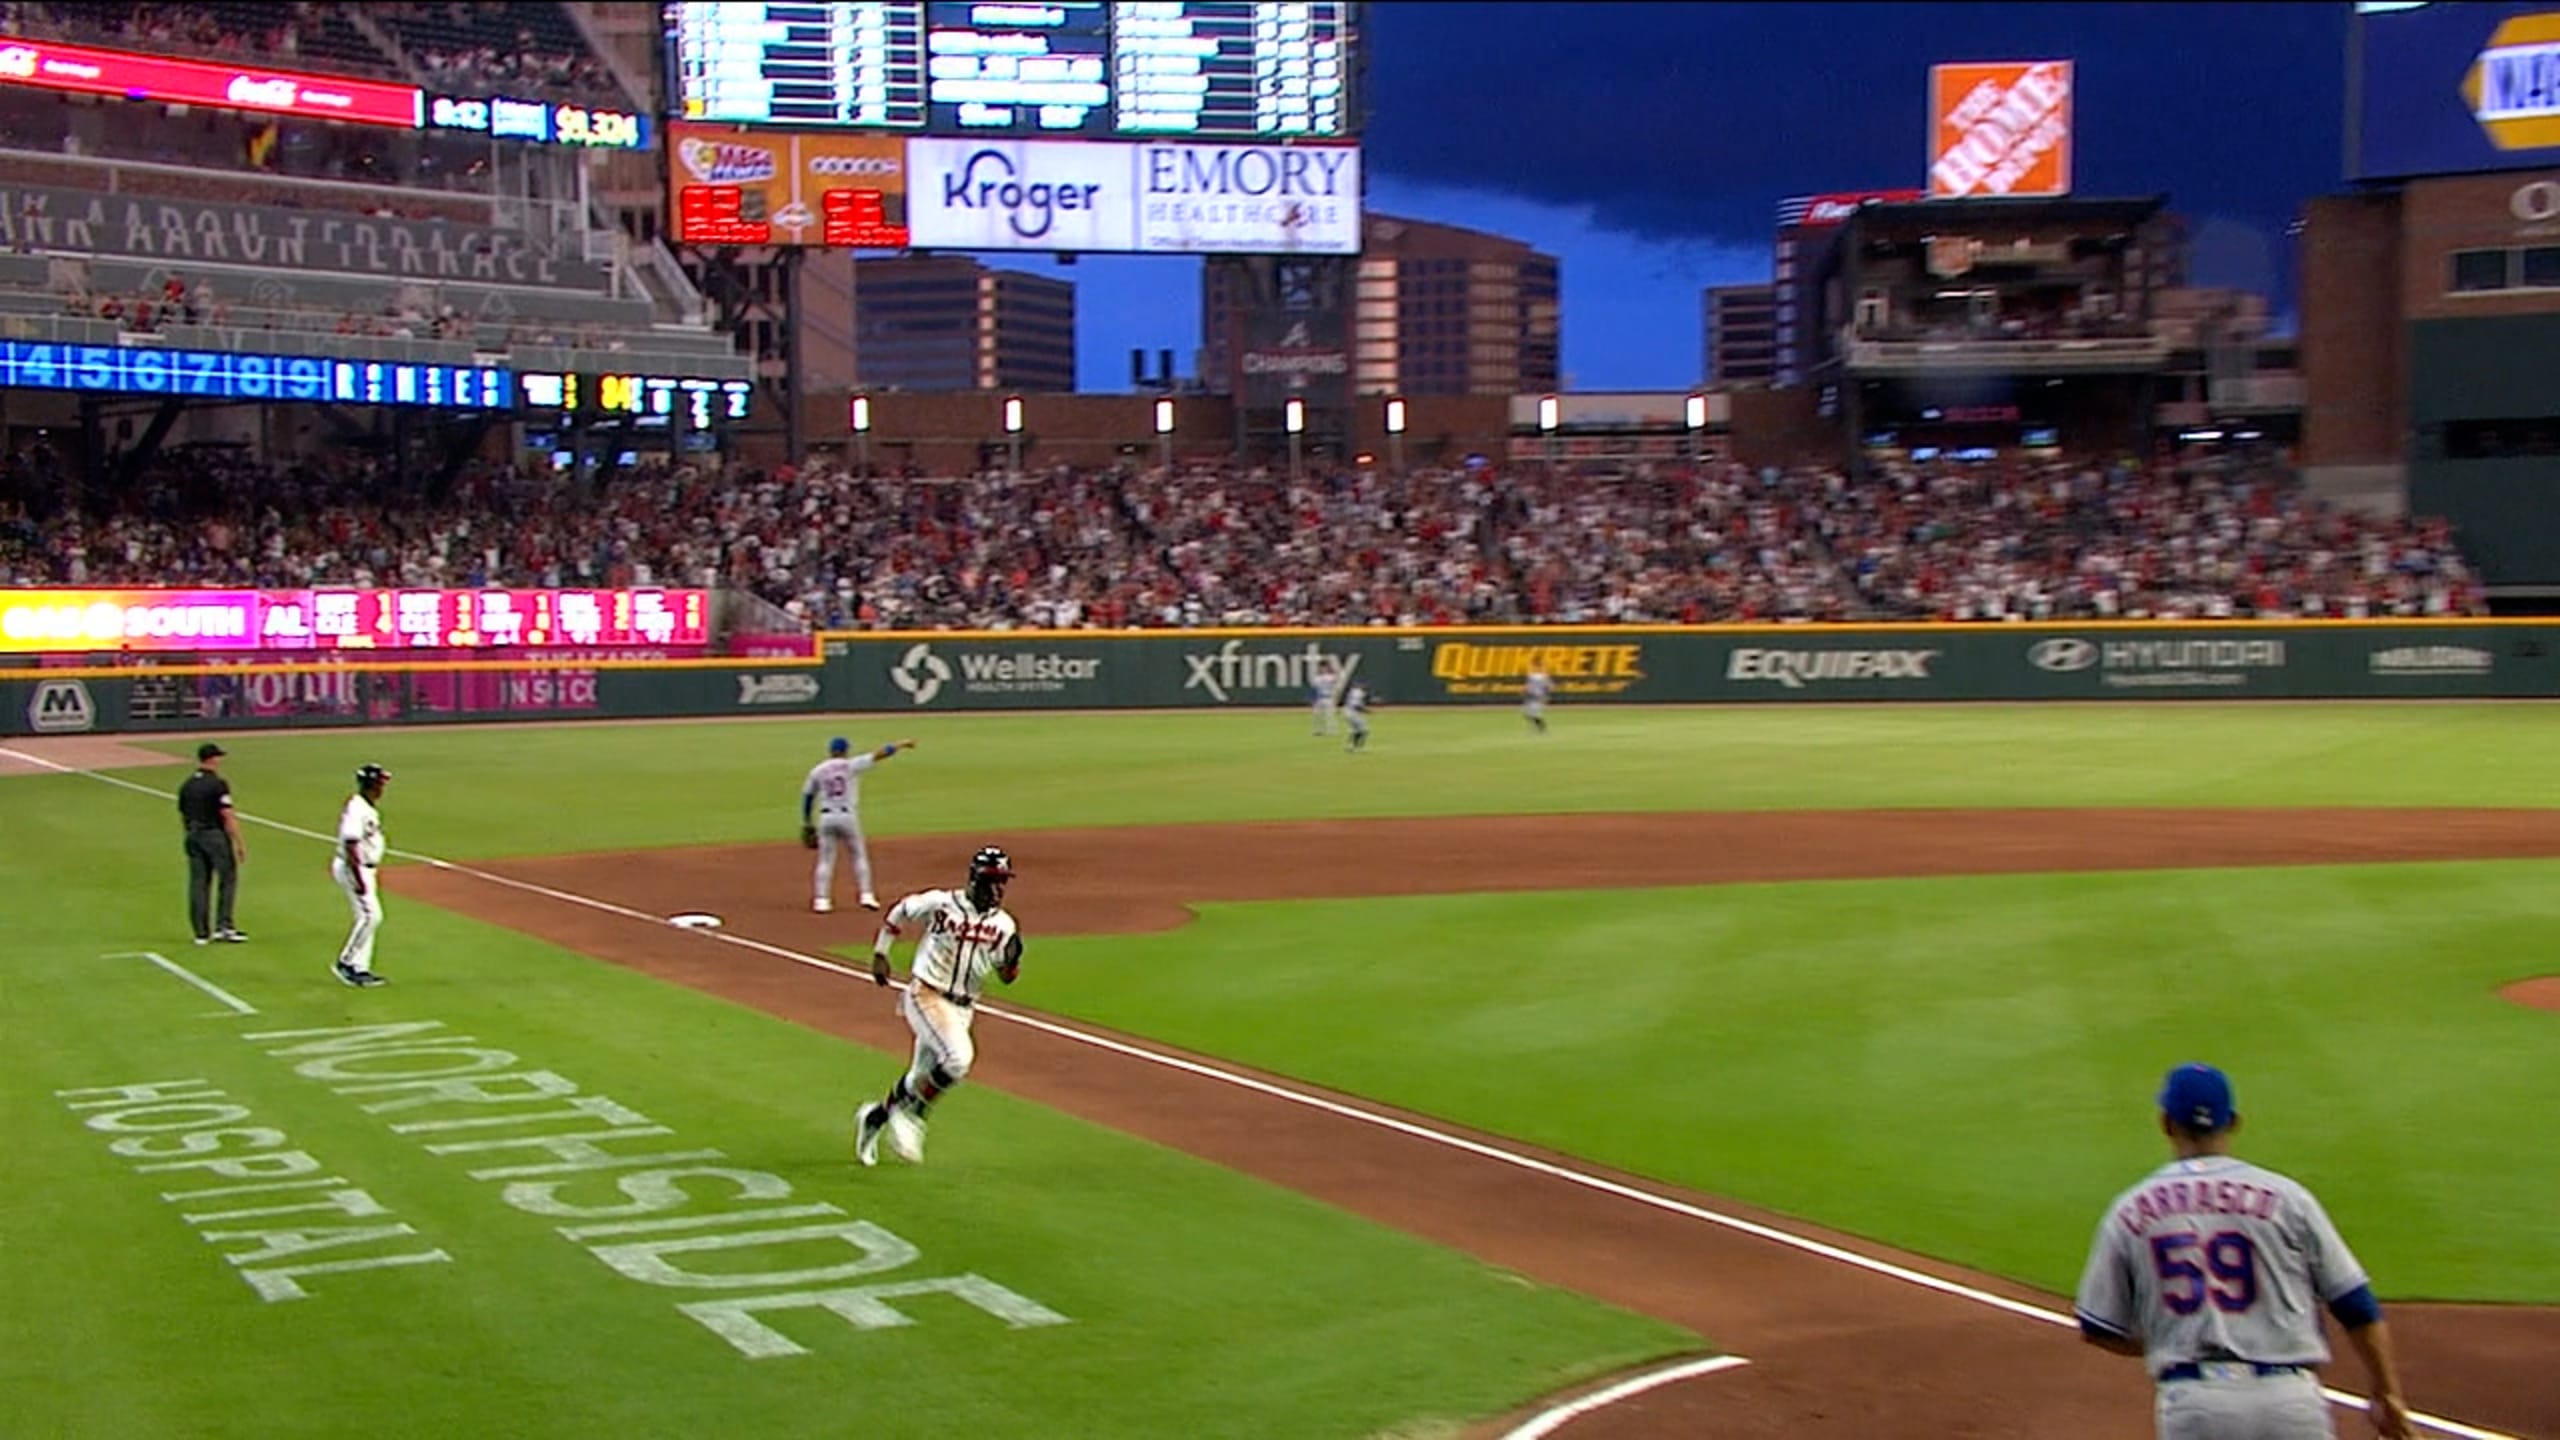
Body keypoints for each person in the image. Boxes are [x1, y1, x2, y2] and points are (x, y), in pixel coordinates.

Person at [2074, 1063, 2414, 1440]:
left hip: (2196, 1405)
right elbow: (2357, 1305)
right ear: (2233, 1122)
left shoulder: (2129, 1210)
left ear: (2166, 1123)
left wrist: (2172, 1338)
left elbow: (2097, 1327)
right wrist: (2386, 1392)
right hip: (2289, 1402)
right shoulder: (2288, 1199)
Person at [854, 847, 1023, 1167]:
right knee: (958, 1059)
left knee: (920, 1076)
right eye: (992, 880)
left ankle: (875, 1117)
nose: (999, 888)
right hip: (927, 994)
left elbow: (1006, 974)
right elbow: (900, 911)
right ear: (975, 879)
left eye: (1003, 881)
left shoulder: (1004, 925)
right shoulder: (942, 904)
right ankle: (915, 1117)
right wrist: (881, 952)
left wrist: (1012, 963)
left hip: (964, 1008)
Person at [800, 735, 914, 913]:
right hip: (848, 817)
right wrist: (901, 745)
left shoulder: (818, 770)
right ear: (846, 750)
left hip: (826, 817)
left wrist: (807, 822)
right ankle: (866, 895)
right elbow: (881, 753)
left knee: (826, 860)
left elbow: (807, 797)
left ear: (830, 751)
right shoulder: (852, 765)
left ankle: (821, 901)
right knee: (858, 855)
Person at [175, 742, 246, 945]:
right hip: (214, 836)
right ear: (213, 759)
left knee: (198, 882)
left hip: (192, 835)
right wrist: (239, 842)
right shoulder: (217, 784)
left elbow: (183, 813)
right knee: (227, 879)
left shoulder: (187, 785)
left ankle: (200, 932)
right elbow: (227, 814)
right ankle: (224, 927)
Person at [331, 764, 393, 989]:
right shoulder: (357, 809)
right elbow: (351, 843)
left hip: (364, 869)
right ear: (371, 785)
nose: (383, 787)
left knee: (365, 917)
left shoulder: (365, 806)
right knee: (371, 916)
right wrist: (357, 877)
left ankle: (360, 968)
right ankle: (345, 963)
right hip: (354, 868)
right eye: (380, 783)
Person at [1310, 659, 1339, 737]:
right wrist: (1313, 700)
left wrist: (1333, 672)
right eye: (1321, 667)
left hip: (1328, 697)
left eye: (1324, 667)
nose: (1323, 668)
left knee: (1330, 715)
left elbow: (1336, 681)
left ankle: (1332, 731)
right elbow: (1314, 689)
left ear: (1327, 667)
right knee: (1317, 715)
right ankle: (1318, 730)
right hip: (1319, 698)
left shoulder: (1331, 677)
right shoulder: (1317, 678)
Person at [1342, 682, 1371, 753]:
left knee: (1355, 730)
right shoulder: (1359, 693)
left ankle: (1349, 746)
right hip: (1352, 713)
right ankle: (1358, 748)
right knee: (1364, 730)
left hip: (1347, 712)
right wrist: (1366, 711)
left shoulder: (1354, 691)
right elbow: (1356, 706)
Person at [1523, 666, 1553, 734]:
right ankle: (1540, 726)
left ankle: (1541, 727)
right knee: (1528, 714)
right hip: (1532, 697)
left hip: (1537, 697)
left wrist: (1545, 695)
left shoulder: (1542, 677)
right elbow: (1549, 687)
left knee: (1532, 714)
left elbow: (1549, 687)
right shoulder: (1534, 676)